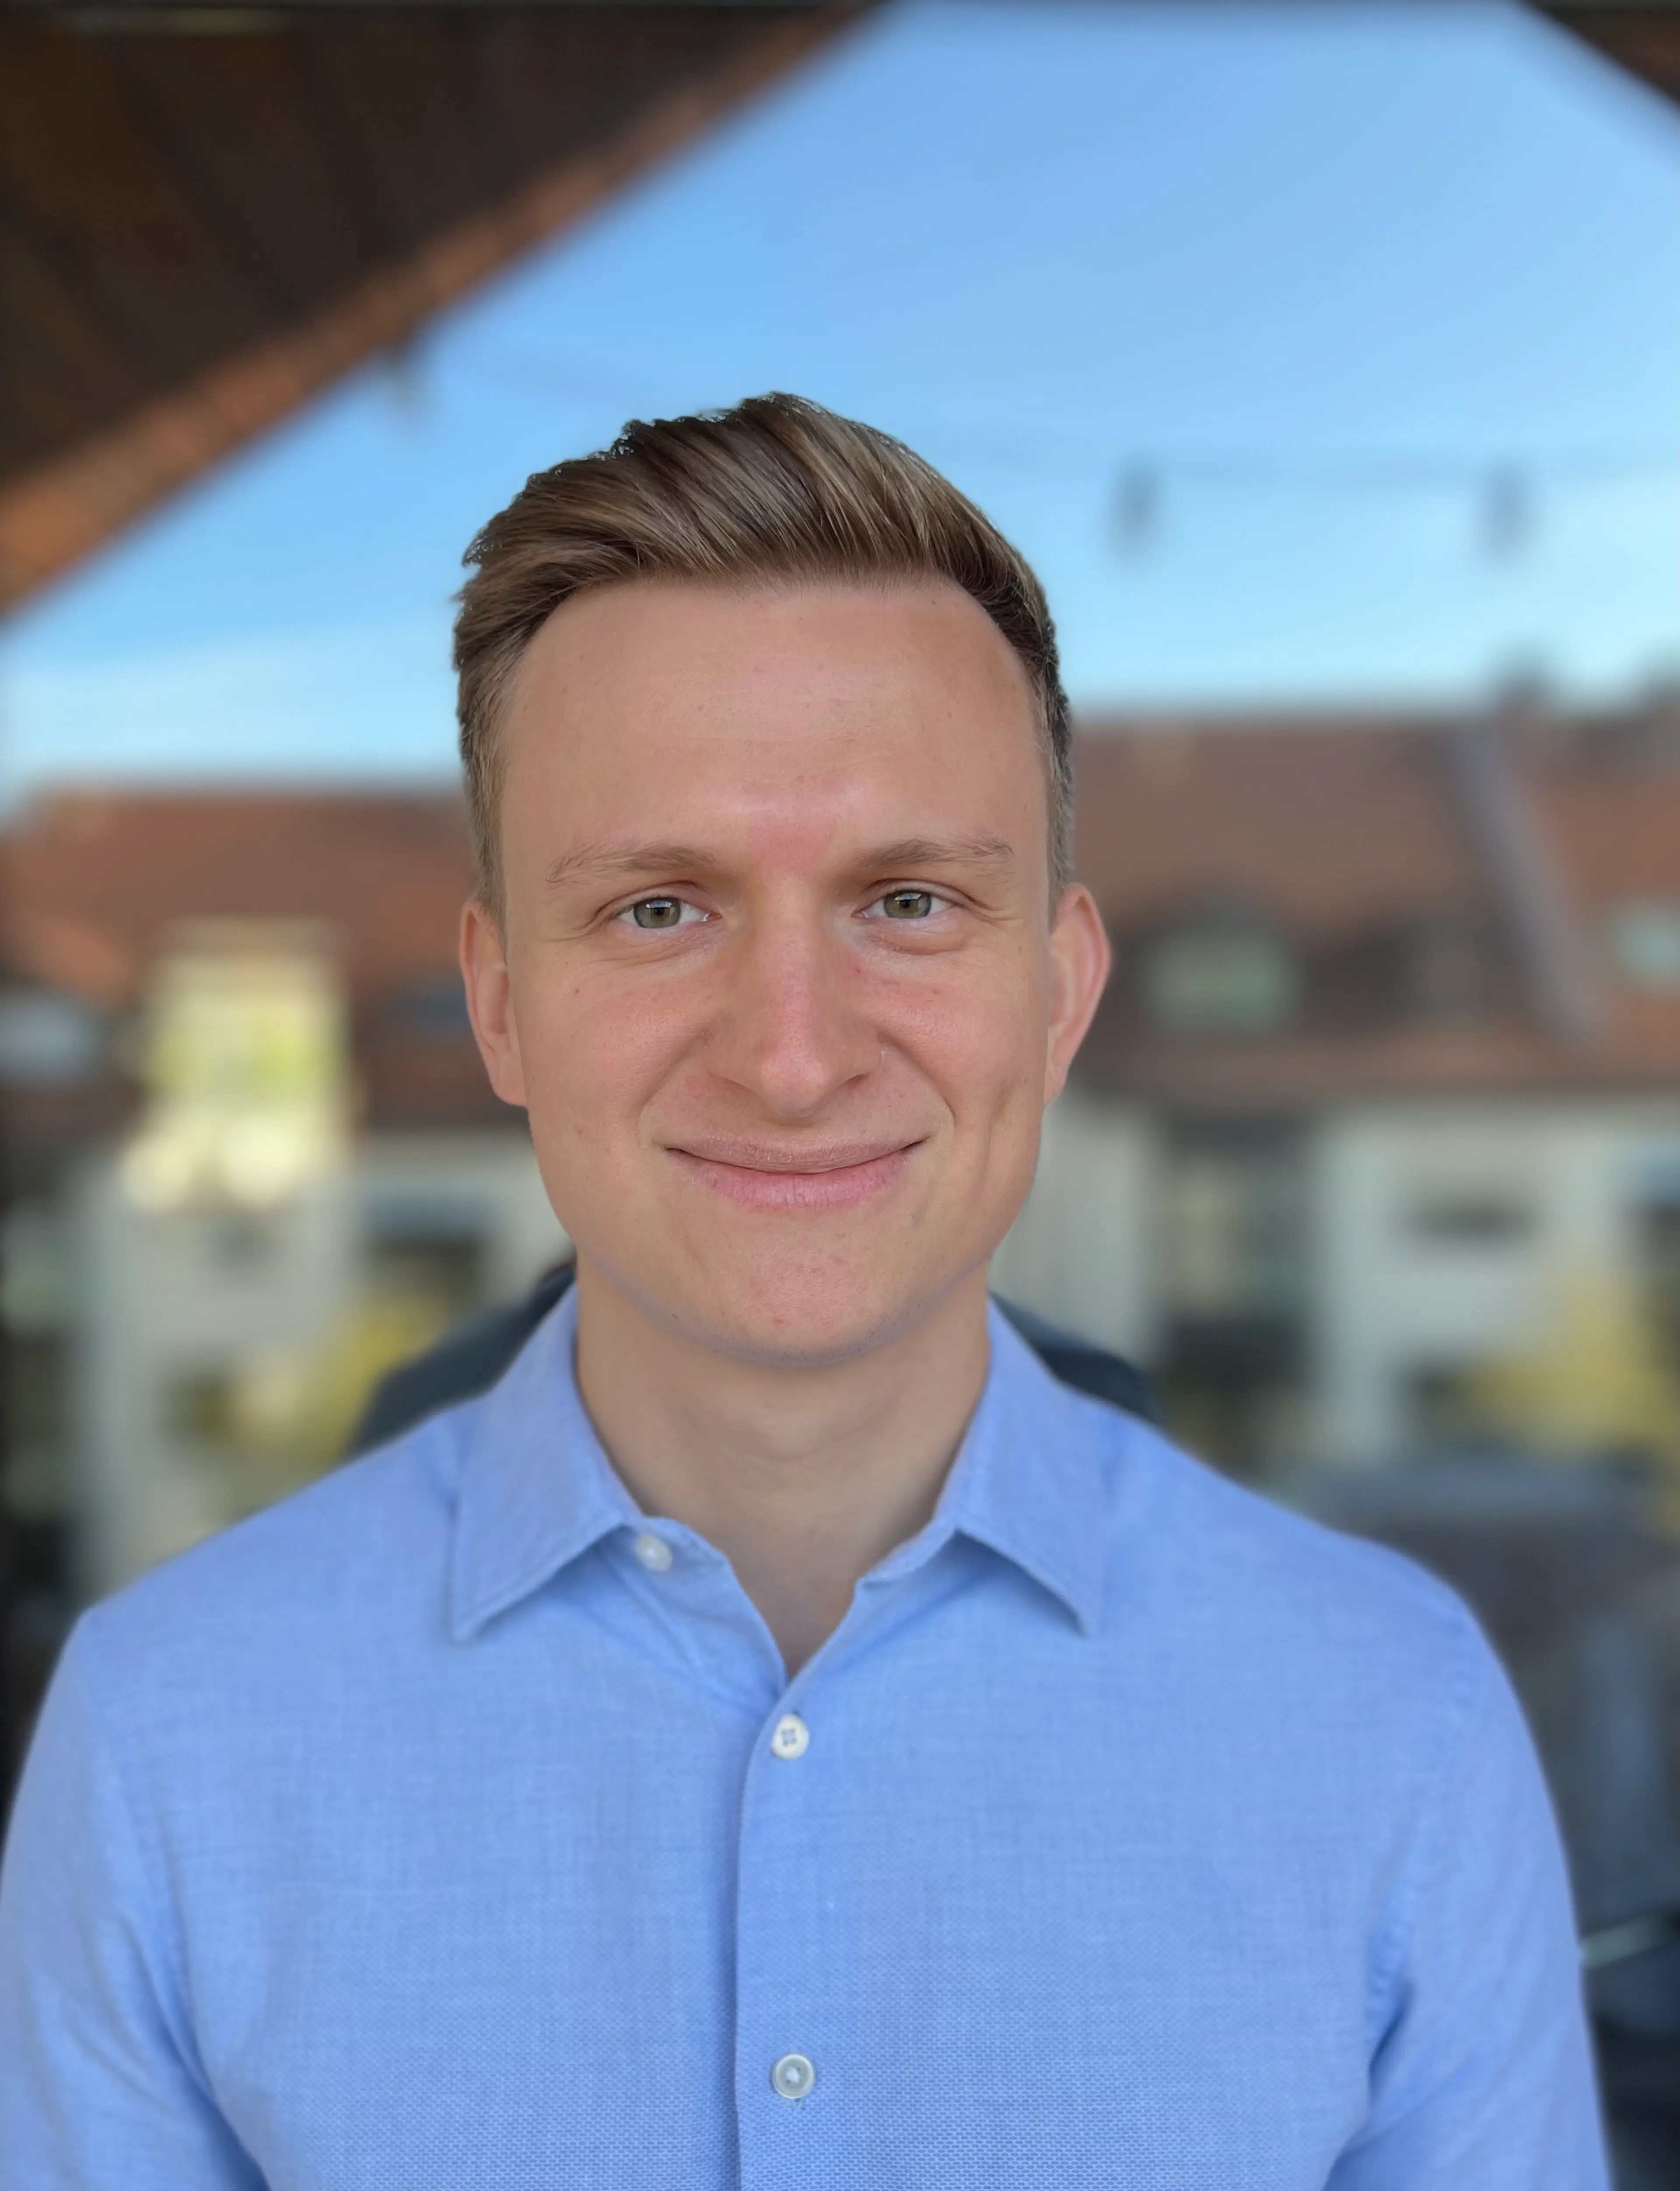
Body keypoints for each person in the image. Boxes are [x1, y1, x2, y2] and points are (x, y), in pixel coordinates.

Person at [0, 396, 1606, 2186]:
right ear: (502, 1000)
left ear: (1060, 993)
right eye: (658, 910)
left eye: (908, 900)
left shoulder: (1396, 1720)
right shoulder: (167, 1738)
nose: (787, 1055)